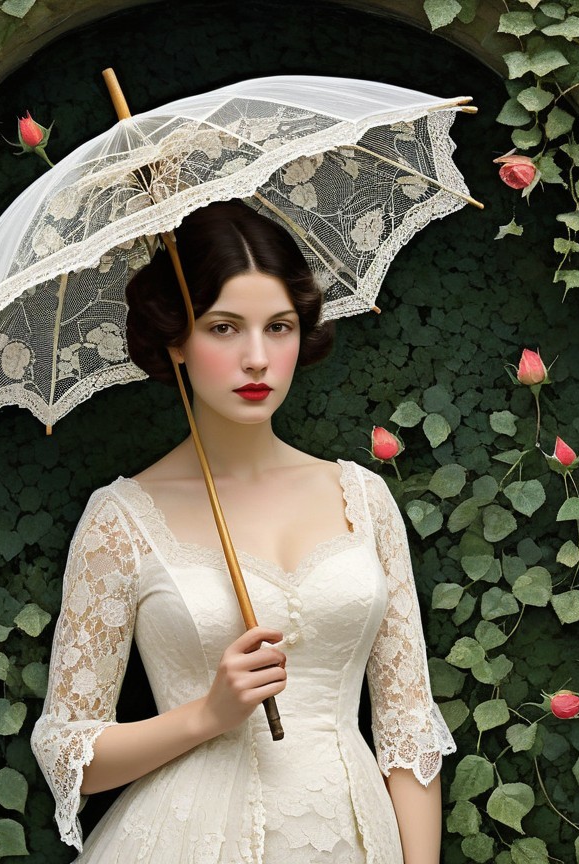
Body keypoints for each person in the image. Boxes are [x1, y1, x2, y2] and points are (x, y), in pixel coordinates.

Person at [31, 199, 455, 863]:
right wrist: (207, 714)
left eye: (278, 327)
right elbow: (69, 756)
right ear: (177, 338)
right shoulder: (120, 520)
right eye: (224, 327)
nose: (257, 358)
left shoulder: (364, 500)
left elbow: (407, 731)